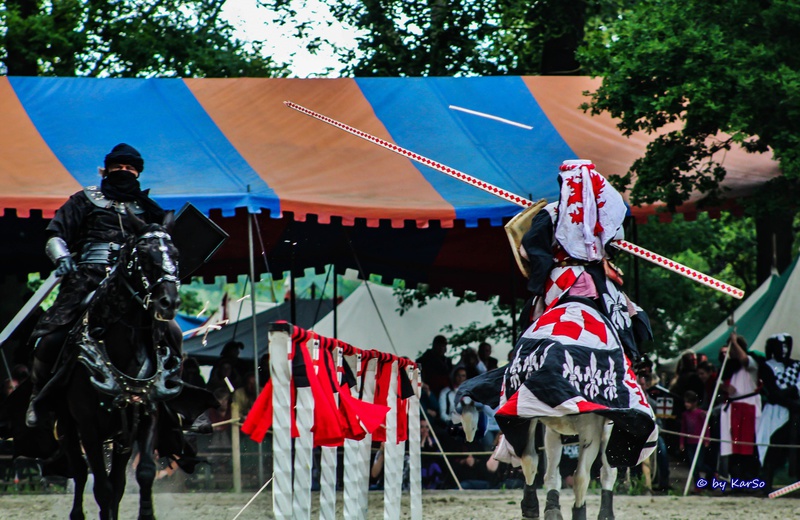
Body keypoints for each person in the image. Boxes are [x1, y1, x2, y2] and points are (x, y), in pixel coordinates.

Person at [25, 143, 169, 428]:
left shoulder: (149, 209)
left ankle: (174, 391)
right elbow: (56, 235)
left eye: (129, 168)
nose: (124, 171)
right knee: (50, 336)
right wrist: (62, 257)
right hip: (87, 277)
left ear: (138, 174)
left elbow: (161, 246)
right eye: (118, 167)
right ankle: (37, 396)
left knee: (170, 331)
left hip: (133, 284)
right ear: (107, 170)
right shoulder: (84, 200)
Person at [756, 333, 800, 492]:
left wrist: (787, 397)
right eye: (781, 346)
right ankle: (766, 483)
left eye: (786, 346)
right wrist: (789, 400)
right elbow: (772, 392)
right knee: (772, 447)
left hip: (795, 413)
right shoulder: (766, 366)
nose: (784, 350)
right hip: (775, 412)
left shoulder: (796, 365)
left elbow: (797, 388)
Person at [718, 333, 761, 486]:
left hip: (748, 407)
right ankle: (736, 481)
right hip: (733, 409)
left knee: (748, 448)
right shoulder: (729, 367)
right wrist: (724, 388)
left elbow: (744, 360)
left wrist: (735, 342)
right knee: (734, 449)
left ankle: (749, 481)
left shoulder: (751, 363)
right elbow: (720, 382)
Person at [680, 390, 712, 492]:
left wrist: (706, 439)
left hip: (699, 443)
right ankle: (697, 485)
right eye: (685, 402)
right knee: (693, 466)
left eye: (688, 402)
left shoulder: (700, 414)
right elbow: (683, 429)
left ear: (694, 403)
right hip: (690, 443)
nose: (686, 404)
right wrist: (681, 442)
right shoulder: (685, 415)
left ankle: (712, 472)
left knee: (699, 464)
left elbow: (706, 427)